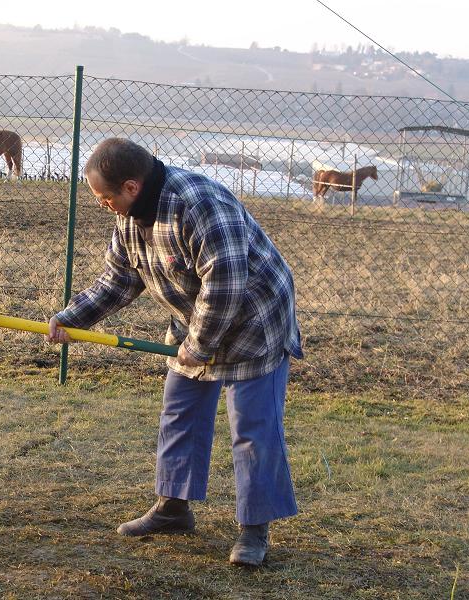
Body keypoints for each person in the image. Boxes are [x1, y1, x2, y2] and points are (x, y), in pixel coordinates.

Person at [46, 138, 303, 566]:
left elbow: (225, 285)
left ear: (131, 185)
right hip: (194, 321)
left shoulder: (198, 205)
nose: (102, 205)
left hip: (255, 320)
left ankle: (254, 530)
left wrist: (199, 348)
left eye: (104, 197)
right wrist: (74, 316)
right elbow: (119, 280)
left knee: (253, 428)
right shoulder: (129, 217)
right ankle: (173, 509)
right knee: (180, 412)